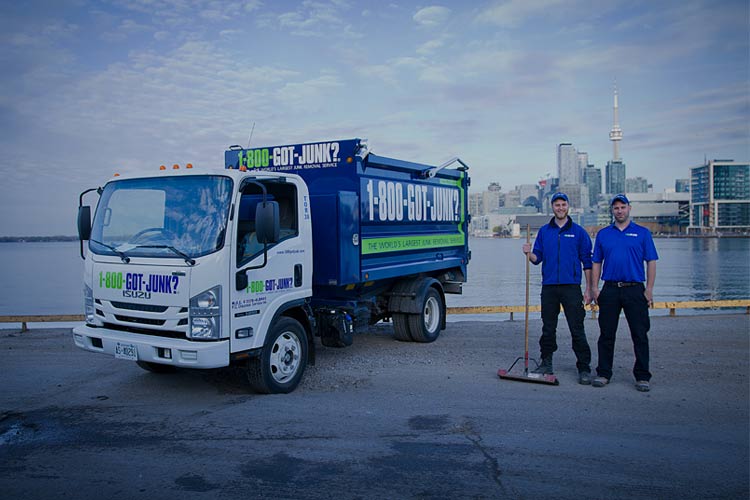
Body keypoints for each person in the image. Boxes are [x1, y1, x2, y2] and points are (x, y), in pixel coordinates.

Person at [522, 192, 593, 384]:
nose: (560, 208)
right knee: (548, 328)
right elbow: (537, 259)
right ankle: (546, 362)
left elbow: (587, 262)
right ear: (552, 207)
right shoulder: (545, 231)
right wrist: (529, 254)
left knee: (577, 328)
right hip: (550, 287)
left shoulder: (579, 232)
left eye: (563, 204)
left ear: (568, 206)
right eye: (557, 205)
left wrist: (589, 289)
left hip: (571, 287)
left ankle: (584, 367)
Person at [590, 194, 658, 392]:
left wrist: (649, 289)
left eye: (623, 207)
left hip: (635, 289)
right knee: (606, 334)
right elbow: (596, 262)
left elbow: (651, 261)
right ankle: (603, 373)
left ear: (629, 209)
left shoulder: (642, 233)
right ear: (612, 211)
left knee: (640, 334)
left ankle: (642, 376)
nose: (619, 211)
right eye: (616, 208)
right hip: (610, 289)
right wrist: (595, 288)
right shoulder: (603, 234)